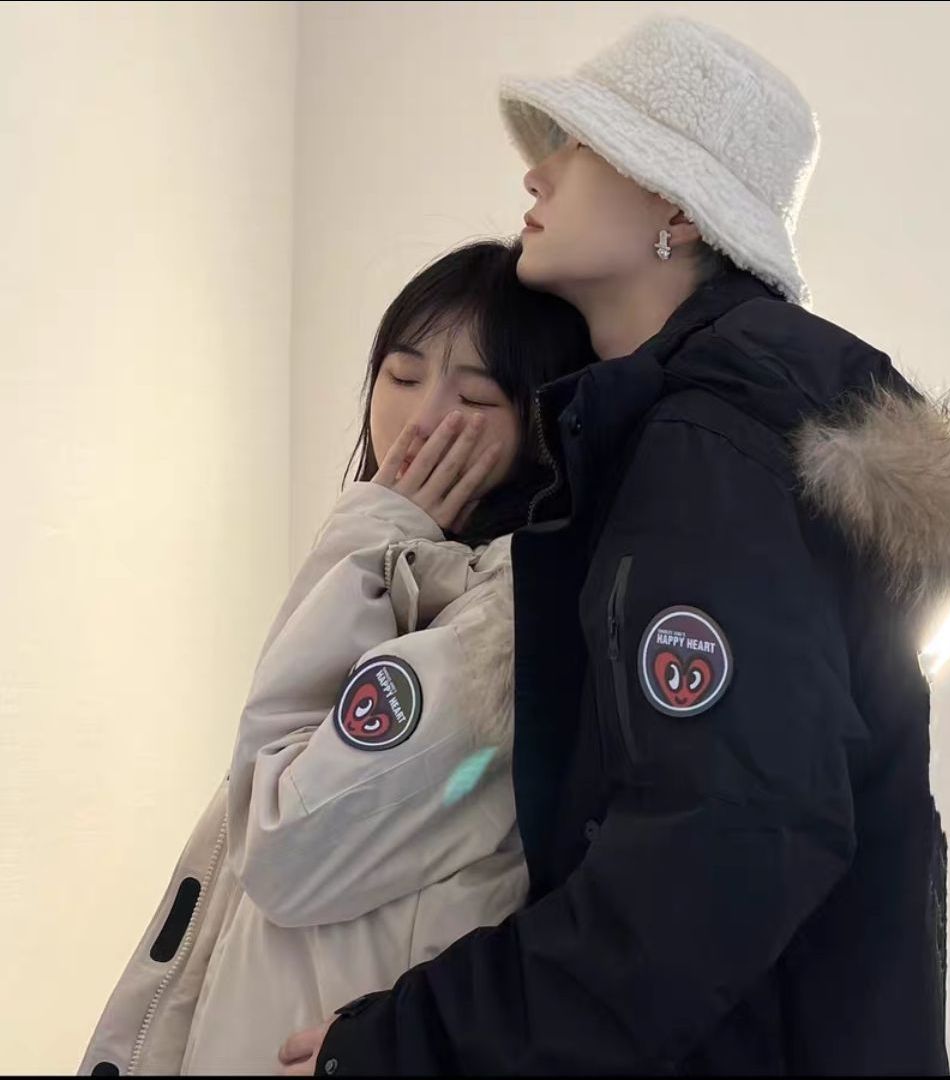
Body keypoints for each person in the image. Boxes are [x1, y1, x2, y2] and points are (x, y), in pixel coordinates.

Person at [279, 14, 950, 1076]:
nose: (536, 175)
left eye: (578, 145)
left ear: (679, 211)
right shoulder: (698, 432)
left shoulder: (713, 446)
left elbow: (724, 845)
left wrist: (413, 1041)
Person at [76, 236, 598, 1075]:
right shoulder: (406, 574)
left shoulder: (499, 627)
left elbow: (283, 842)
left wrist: (361, 537)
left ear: (539, 425)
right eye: (402, 376)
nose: (423, 418)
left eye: (475, 396)